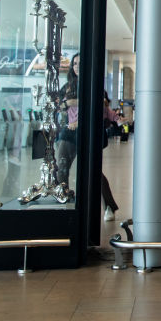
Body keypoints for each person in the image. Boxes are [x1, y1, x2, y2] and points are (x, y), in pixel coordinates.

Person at [57, 54, 122, 221]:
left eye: (81, 63)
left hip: (89, 132)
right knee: (61, 167)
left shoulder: (96, 86)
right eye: (75, 64)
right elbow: (58, 106)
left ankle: (109, 207)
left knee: (93, 171)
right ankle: (64, 200)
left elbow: (101, 109)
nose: (77, 66)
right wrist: (68, 104)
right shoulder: (67, 86)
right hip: (70, 132)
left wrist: (74, 104)